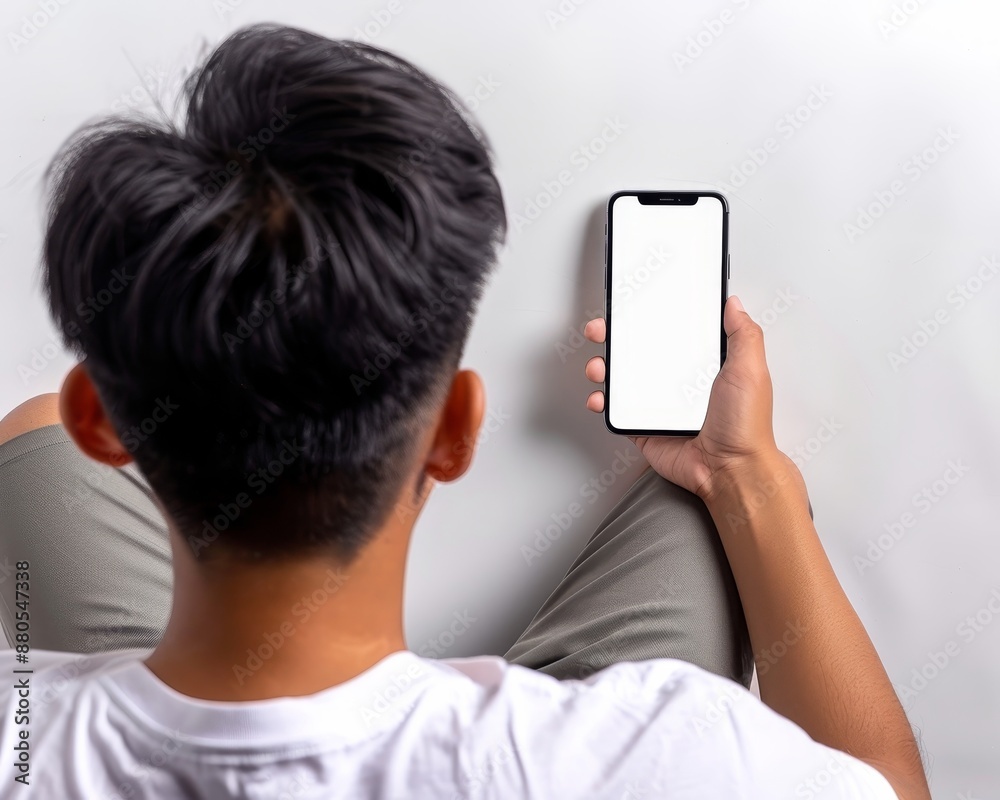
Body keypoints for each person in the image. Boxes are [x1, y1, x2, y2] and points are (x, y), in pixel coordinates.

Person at [0, 22, 929, 800]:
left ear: (105, 421)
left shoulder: (24, 736)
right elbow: (880, 780)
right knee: (694, 502)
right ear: (455, 432)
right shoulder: (665, 753)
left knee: (27, 441)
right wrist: (746, 472)